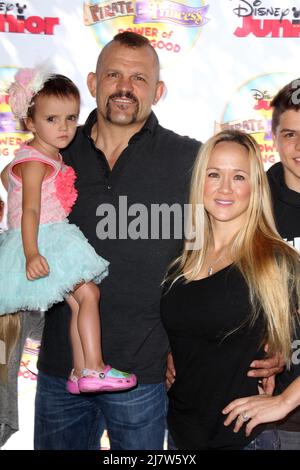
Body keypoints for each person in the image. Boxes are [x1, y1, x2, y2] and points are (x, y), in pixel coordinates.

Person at [34, 32, 283, 451]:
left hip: (146, 376)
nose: (124, 87)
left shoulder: (191, 160)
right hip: (62, 370)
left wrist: (269, 335)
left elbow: (237, 240)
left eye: (139, 78)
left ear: (159, 90)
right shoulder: (54, 153)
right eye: (114, 74)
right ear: (93, 82)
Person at [0, 67, 136, 398]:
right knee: (88, 295)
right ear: (30, 123)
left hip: (46, 236)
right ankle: (92, 367)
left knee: (80, 302)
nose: (64, 127)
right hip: (44, 239)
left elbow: (6, 177)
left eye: (70, 118)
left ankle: (81, 371)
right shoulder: (35, 162)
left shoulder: (37, 156)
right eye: (52, 119)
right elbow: (30, 209)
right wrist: (32, 252)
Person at [161, 129, 300, 449]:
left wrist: (285, 401)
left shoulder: (275, 259)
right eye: (214, 174)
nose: (225, 188)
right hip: (180, 434)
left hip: (244, 439)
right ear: (200, 181)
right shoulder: (183, 255)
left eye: (238, 177)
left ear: (255, 187)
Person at [222, 79, 300, 450]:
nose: (299, 147)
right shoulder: (249, 201)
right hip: (264, 403)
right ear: (274, 136)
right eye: (290, 134)